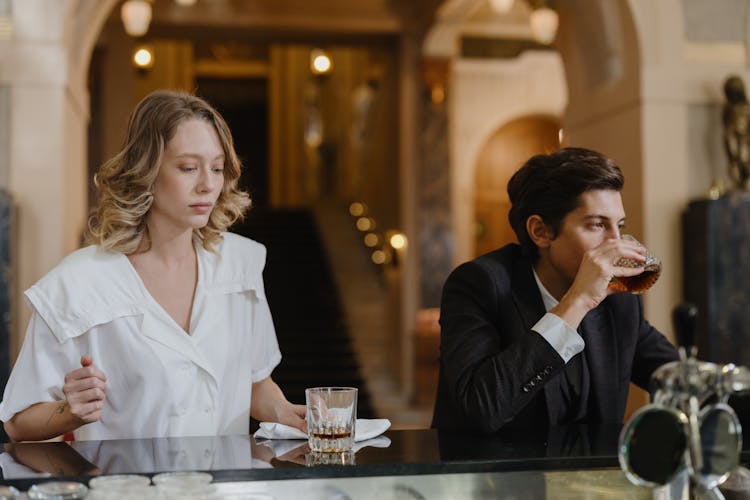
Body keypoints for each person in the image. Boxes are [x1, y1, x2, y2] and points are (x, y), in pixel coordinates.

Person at [0, 90, 306, 441]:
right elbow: (18, 422)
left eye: (217, 168)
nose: (208, 184)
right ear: (146, 171)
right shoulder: (78, 284)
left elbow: (254, 383)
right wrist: (70, 411)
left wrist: (290, 414)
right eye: (189, 168)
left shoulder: (239, 266)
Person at [432, 147, 679, 433]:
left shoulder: (618, 303)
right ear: (540, 232)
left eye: (619, 226)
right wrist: (578, 301)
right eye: (597, 225)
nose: (616, 243)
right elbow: (482, 407)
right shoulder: (478, 284)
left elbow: (678, 378)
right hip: (493, 475)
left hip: (588, 478)